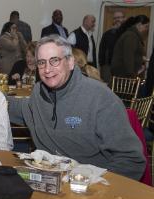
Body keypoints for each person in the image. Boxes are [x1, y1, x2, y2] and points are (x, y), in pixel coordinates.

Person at [8, 35, 145, 180]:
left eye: (54, 60)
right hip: (50, 183)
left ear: (70, 62)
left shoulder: (100, 98)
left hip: (89, 186)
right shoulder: (38, 94)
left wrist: (95, 185)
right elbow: (14, 106)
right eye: (42, 62)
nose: (47, 69)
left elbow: (131, 160)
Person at [98, 11, 125, 84]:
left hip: (123, 67)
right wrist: (102, 64)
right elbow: (102, 50)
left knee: (120, 89)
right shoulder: (107, 34)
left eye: (119, 17)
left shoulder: (128, 33)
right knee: (107, 89)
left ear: (124, 19)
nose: (117, 20)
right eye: (115, 18)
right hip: (108, 67)